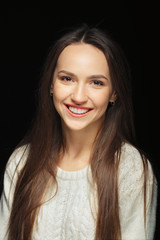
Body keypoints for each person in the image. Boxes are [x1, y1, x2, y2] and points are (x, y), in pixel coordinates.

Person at [0, 24, 157, 240]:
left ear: (114, 93)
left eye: (96, 82)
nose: (79, 96)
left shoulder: (131, 170)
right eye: (67, 79)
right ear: (51, 85)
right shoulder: (22, 162)